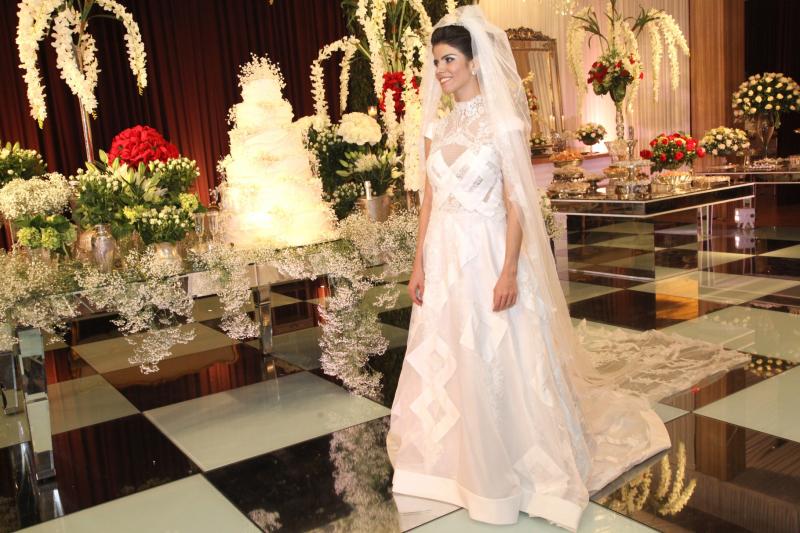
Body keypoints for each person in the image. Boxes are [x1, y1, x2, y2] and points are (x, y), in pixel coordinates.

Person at [386, 6, 742, 531]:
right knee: (450, 352)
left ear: (474, 62)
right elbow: (428, 200)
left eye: (449, 60)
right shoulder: (435, 126)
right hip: (444, 256)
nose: (440, 70)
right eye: (436, 61)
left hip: (490, 252)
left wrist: (509, 270)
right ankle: (449, 462)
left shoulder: (504, 121)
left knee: (495, 351)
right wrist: (418, 263)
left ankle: (507, 464)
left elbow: (517, 201)